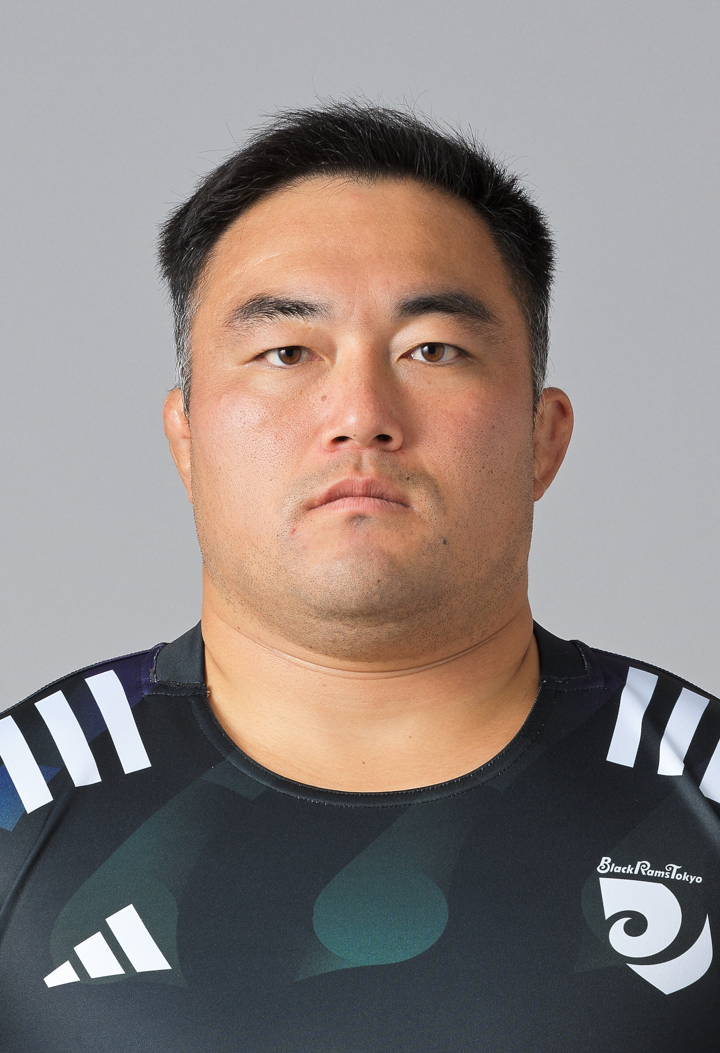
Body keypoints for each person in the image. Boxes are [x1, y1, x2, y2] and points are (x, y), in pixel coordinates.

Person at [0, 103, 717, 1053]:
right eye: (286, 352)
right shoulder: (20, 796)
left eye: (433, 350)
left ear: (543, 437)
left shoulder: (702, 790)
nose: (360, 414)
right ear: (187, 437)